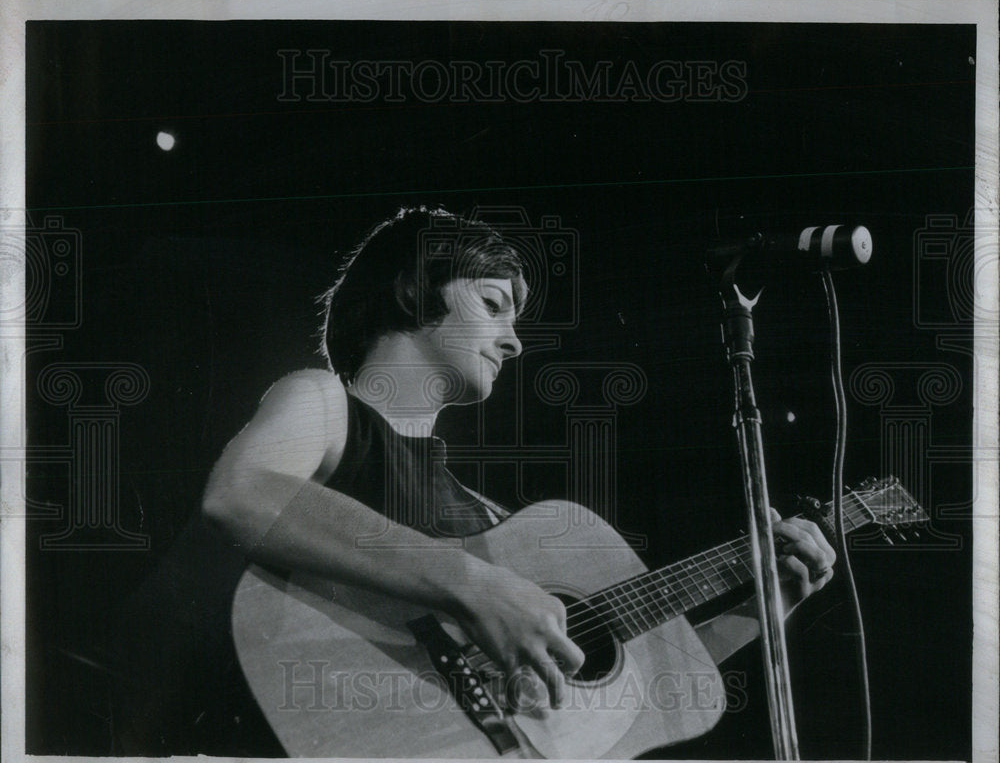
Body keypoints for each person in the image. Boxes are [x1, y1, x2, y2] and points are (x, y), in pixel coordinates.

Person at [201, 205, 836, 720]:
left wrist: (766, 605)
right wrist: (478, 585)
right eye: (493, 303)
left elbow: (641, 696)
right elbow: (245, 492)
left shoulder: (492, 518)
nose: (515, 339)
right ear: (414, 289)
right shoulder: (322, 399)